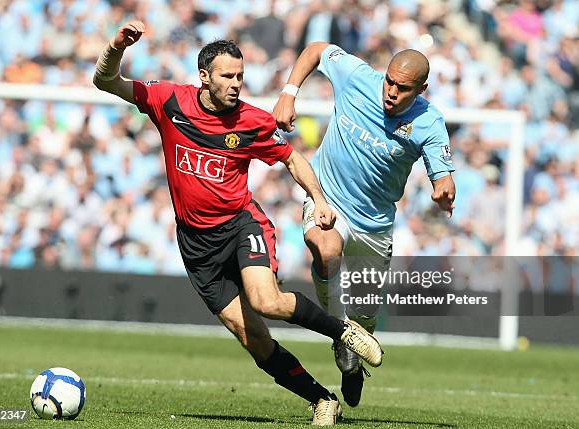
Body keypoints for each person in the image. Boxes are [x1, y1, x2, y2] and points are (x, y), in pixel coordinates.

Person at [93, 22, 384, 426]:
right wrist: (116, 46)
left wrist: (318, 198)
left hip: (241, 225)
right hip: (196, 245)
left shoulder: (252, 121)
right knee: (254, 339)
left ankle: (343, 332)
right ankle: (322, 399)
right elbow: (105, 80)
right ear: (204, 77)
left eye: (241, 76)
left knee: (266, 301)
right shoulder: (168, 101)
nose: (236, 84)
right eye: (227, 76)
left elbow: (291, 158)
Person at [273, 42, 456, 408]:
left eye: (403, 88)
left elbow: (443, 174)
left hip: (374, 224)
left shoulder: (429, 122)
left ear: (421, 90)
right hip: (327, 197)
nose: (391, 91)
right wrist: (289, 93)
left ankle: (351, 357)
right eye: (390, 81)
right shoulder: (357, 76)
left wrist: (444, 190)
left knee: (366, 316)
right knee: (325, 248)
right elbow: (317, 49)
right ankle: (340, 333)